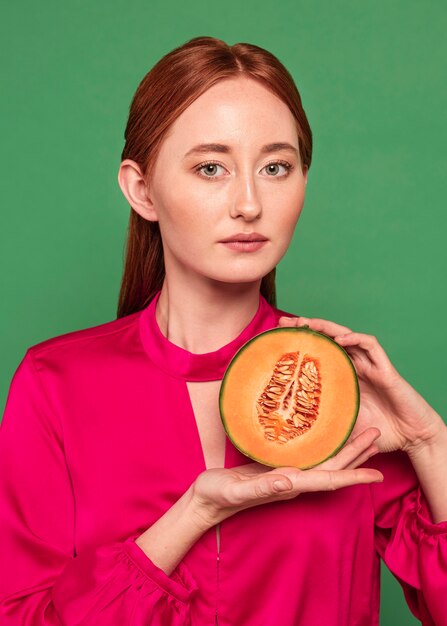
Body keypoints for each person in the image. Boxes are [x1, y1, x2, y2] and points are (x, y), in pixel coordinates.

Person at [0, 35, 446, 626]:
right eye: (211, 167)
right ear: (142, 189)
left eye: (276, 167)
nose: (249, 203)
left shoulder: (345, 388)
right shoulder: (54, 383)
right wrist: (193, 513)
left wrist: (429, 444)